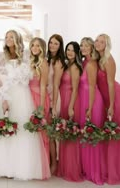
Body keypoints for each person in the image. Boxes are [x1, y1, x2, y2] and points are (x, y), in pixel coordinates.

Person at [0, 30, 46, 180]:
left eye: (11, 37)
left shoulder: (27, 55)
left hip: (22, 95)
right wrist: (3, 100)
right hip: (7, 95)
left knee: (22, 130)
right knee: (6, 129)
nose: (8, 39)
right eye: (6, 36)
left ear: (17, 39)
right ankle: (4, 167)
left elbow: (31, 75)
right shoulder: (0, 57)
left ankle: (21, 167)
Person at [79, 37, 106, 185]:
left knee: (92, 136)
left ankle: (94, 171)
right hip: (84, 99)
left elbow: (92, 86)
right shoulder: (84, 62)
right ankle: (87, 168)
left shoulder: (91, 64)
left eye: (86, 46)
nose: (83, 48)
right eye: (82, 46)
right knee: (85, 135)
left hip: (92, 100)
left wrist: (89, 107)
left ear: (91, 48)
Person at [95, 34, 120, 184]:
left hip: (113, 99)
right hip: (102, 99)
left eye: (102, 42)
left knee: (113, 137)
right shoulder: (97, 59)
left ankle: (114, 171)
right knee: (105, 135)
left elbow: (111, 83)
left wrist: (111, 104)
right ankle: (105, 168)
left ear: (107, 45)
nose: (98, 43)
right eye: (97, 40)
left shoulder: (109, 60)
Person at [57, 41, 83, 182]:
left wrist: (71, 106)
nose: (70, 52)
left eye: (73, 50)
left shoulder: (75, 68)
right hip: (64, 98)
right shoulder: (68, 65)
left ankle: (71, 169)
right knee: (64, 134)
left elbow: (75, 89)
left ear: (77, 52)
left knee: (70, 135)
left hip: (70, 100)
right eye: (68, 49)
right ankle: (64, 167)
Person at [29, 37, 51, 179]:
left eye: (38, 45)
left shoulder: (43, 62)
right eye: (33, 45)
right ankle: (31, 165)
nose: (35, 48)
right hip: (29, 97)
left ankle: (42, 168)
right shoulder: (31, 61)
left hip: (39, 97)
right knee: (31, 134)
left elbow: (43, 85)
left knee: (40, 133)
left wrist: (42, 107)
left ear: (42, 48)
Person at [47, 34, 65, 174]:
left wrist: (52, 105)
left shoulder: (58, 62)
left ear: (60, 46)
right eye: (51, 42)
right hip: (46, 96)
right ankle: (48, 161)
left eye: (56, 44)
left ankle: (54, 163)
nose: (52, 45)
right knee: (47, 132)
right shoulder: (47, 59)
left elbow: (56, 84)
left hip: (54, 97)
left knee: (52, 134)